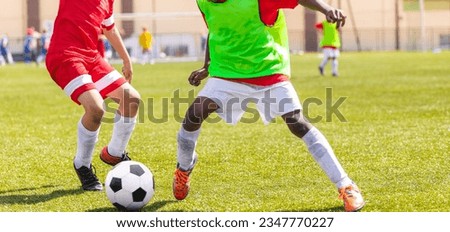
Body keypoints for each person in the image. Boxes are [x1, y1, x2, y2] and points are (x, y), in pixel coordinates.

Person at [172, 0, 365, 212]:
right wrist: (207, 66)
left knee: (298, 123)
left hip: (268, 71)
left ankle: (346, 185)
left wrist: (326, 9)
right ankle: (184, 168)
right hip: (228, 74)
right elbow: (215, 29)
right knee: (194, 114)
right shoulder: (203, 2)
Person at [46, 0, 141, 191]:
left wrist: (126, 59)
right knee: (96, 108)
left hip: (91, 56)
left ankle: (114, 153)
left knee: (131, 99)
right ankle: (82, 164)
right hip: (65, 55)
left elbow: (110, 29)